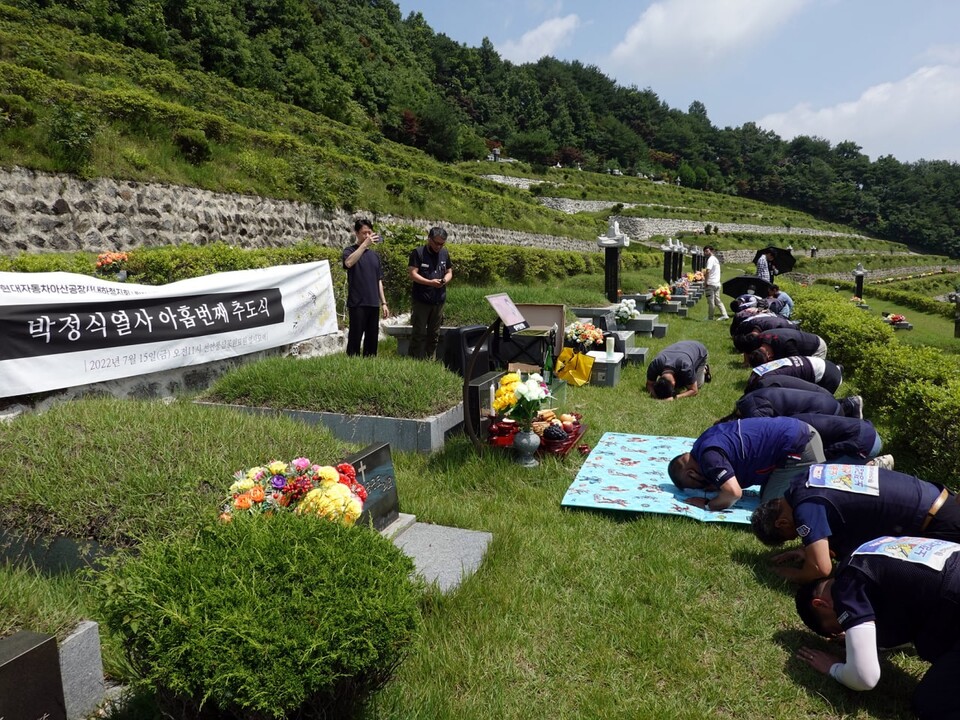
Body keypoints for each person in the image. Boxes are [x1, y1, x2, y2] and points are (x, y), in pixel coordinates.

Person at [794, 536, 960, 718]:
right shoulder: (863, 553)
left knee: (932, 703)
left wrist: (834, 668)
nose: (844, 630)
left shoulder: (846, 587)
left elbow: (865, 677)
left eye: (837, 627)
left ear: (820, 604)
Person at [752, 468, 960, 583]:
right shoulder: (803, 481)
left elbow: (821, 569)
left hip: (939, 524)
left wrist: (789, 574)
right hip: (936, 499)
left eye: (794, 535)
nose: (799, 537)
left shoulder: (805, 508)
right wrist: (806, 550)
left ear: (782, 522)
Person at [668, 416, 826, 510]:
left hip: (802, 447)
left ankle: (814, 496)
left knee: (771, 509)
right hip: (797, 433)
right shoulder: (701, 445)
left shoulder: (709, 458)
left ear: (691, 474)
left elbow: (733, 493)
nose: (703, 488)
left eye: (697, 486)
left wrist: (709, 504)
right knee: (766, 494)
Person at [341, 218, 389, 357]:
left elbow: (378, 280)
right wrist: (363, 246)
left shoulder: (374, 256)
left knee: (372, 340)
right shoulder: (349, 250)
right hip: (357, 303)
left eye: (369, 233)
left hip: (373, 303)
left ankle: (369, 365)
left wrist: (384, 303)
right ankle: (352, 363)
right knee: (355, 337)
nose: (367, 236)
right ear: (356, 233)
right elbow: (348, 263)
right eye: (364, 233)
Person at [407, 226, 453, 360]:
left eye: (442, 244)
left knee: (434, 334)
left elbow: (449, 271)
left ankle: (429, 361)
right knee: (419, 333)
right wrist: (430, 282)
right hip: (422, 300)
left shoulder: (444, 253)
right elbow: (413, 274)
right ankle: (415, 360)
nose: (439, 246)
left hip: (438, 300)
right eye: (436, 243)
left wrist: (444, 280)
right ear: (429, 240)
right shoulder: (418, 253)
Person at [722, 386, 863, 421]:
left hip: (826, 411)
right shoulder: (745, 400)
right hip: (825, 401)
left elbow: (764, 433)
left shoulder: (755, 412)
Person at [745, 355, 843, 394]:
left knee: (822, 403)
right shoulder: (757, 372)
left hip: (829, 376)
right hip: (819, 364)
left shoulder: (768, 381)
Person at [744, 328, 828, 366]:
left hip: (816, 346)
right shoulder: (757, 340)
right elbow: (746, 349)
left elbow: (798, 364)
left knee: (808, 373)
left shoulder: (787, 345)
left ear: (769, 357)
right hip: (795, 342)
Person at [703, 245, 729, 321]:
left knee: (711, 301)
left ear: (712, 251)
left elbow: (708, 271)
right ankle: (725, 315)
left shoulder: (710, 259)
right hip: (717, 283)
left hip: (711, 283)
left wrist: (705, 282)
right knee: (717, 300)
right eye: (704, 251)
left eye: (707, 251)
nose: (705, 253)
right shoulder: (716, 259)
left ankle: (710, 317)